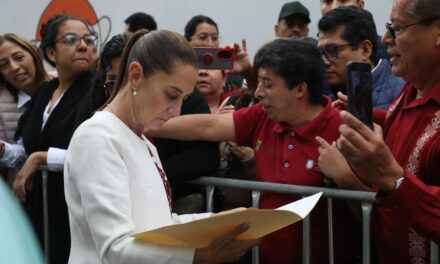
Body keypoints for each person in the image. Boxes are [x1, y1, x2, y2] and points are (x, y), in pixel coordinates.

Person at [149, 38, 361, 263]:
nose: (258, 93)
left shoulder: (345, 129)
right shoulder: (262, 116)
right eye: (259, 82)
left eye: (268, 84)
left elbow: (370, 214)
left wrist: (345, 178)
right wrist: (142, 122)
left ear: (300, 89)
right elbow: (208, 126)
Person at [64, 29, 259, 264]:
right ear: (136, 75)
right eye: (171, 94)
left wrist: (219, 222)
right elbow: (115, 247)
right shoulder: (97, 136)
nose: (175, 111)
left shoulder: (142, 140)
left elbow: (157, 223)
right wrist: (196, 256)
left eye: (183, 99)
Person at [317, 0, 440, 262]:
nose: (386, 38)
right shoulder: (411, 91)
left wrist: (391, 178)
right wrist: (366, 115)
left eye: (397, 28)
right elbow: (410, 122)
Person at [1, 14, 97, 263]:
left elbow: (95, 154)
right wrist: (4, 150)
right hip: (38, 211)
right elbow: (25, 149)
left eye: (88, 39)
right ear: (51, 52)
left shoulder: (99, 91)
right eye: (71, 39)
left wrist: (40, 159)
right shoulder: (44, 92)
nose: (83, 46)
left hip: (74, 213)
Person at [317, 6, 404, 109]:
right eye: (320, 53)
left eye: (332, 50)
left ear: (365, 50)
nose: (324, 61)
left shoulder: (403, 95)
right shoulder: (326, 103)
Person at [0, 33, 50, 182]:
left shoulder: (64, 84)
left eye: (19, 57)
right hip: (24, 195)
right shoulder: (2, 104)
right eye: (4, 64)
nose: (14, 67)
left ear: (34, 54)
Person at [319, 0, 389, 62]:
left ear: (360, 5)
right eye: (328, 1)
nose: (334, 7)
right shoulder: (314, 52)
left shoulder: (389, 51)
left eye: (343, 0)